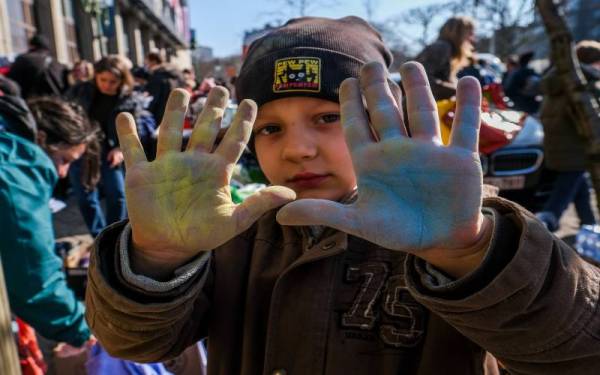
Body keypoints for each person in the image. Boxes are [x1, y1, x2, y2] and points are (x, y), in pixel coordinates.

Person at [86, 17, 600, 374]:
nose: (298, 149)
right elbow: (137, 341)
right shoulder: (231, 232)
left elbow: (581, 353)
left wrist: (471, 253)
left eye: (328, 118)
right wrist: (156, 259)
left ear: (383, 120)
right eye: (269, 129)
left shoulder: (458, 225)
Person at [0, 95, 98, 348]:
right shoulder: (16, 170)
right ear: (42, 139)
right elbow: (32, 274)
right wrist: (80, 328)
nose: (63, 173)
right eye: (64, 160)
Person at [66, 56, 154, 237]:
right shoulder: (80, 91)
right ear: (95, 76)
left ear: (122, 80)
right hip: (82, 148)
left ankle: (114, 236)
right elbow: (67, 118)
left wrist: (121, 149)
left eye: (113, 81)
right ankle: (98, 236)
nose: (107, 85)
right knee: (85, 196)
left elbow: (134, 129)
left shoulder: (129, 99)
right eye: (103, 80)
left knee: (118, 194)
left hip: (110, 150)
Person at [535, 41, 600, 231]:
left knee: (578, 186)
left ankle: (589, 225)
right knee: (562, 195)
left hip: (558, 145)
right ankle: (543, 225)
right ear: (591, 62)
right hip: (576, 146)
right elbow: (591, 117)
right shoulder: (581, 82)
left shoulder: (556, 81)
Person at [416, 16, 475, 100]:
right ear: (458, 32)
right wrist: (458, 90)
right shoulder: (442, 48)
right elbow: (423, 79)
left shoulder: (447, 49)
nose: (472, 38)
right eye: (470, 33)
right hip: (420, 106)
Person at [7, 34, 69, 99]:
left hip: (30, 105)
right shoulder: (58, 65)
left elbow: (11, 84)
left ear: (32, 46)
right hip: (55, 105)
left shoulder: (23, 59)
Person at [145, 51, 184, 124]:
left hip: (162, 114)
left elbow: (155, 98)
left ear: (153, 61)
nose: (147, 66)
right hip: (179, 111)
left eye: (147, 63)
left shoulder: (157, 76)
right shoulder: (176, 72)